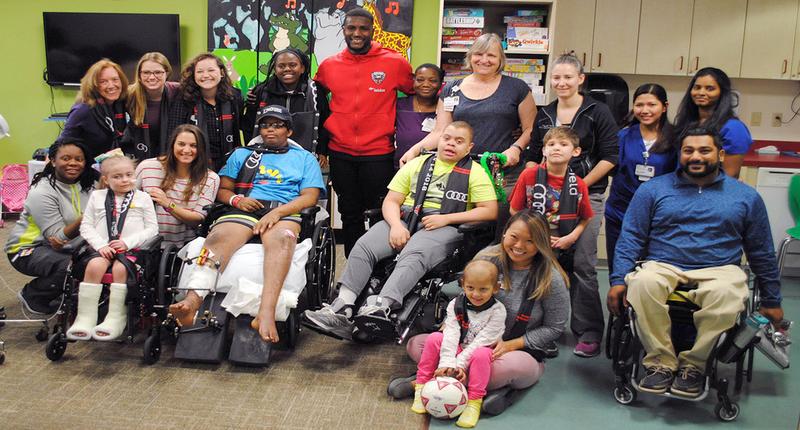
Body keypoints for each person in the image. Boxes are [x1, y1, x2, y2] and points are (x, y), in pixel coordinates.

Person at [606, 127, 783, 398]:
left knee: (728, 293)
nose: (695, 156)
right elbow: (631, 237)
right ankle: (660, 363)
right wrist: (618, 280)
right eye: (688, 151)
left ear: (720, 154)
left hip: (719, 268)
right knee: (641, 282)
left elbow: (761, 250)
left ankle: (694, 367)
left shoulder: (745, 197)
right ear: (680, 154)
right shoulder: (654, 190)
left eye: (704, 150)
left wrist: (771, 300)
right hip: (663, 264)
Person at [303, 121, 498, 340]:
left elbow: (489, 211)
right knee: (364, 246)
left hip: (446, 224)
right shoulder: (418, 164)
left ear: (469, 148)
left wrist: (446, 219)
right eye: (447, 138)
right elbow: (391, 200)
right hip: (405, 218)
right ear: (439, 140)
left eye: (459, 141)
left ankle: (380, 306)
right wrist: (396, 225)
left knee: (414, 253)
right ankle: (342, 305)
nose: (451, 144)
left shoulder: (475, 172)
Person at [168, 105, 325, 343]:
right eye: (265, 125)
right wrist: (236, 200)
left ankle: (266, 312)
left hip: (282, 210)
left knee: (282, 240)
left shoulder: (304, 158)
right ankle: (192, 302)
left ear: (289, 131)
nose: (270, 130)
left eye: (277, 125)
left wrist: (278, 213)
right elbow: (222, 189)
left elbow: (310, 197)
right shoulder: (243, 154)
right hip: (245, 208)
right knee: (217, 239)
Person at [391, 211, 570, 416]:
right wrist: (450, 325)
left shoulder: (550, 278)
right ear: (504, 234)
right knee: (419, 344)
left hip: (510, 352)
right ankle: (471, 388)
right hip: (469, 341)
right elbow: (464, 298)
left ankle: (427, 383)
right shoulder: (487, 258)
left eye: (530, 241)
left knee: (507, 369)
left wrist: (514, 344)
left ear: (541, 243)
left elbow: (554, 327)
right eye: (514, 237)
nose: (519, 246)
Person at [526, 53, 618, 358]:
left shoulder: (597, 111)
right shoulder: (545, 114)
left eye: (568, 77)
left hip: (586, 195)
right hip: (546, 195)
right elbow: (535, 154)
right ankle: (543, 329)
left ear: (580, 79)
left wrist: (579, 186)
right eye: (556, 77)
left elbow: (610, 156)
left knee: (583, 264)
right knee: (543, 261)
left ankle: (589, 331)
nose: (561, 83)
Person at [314, 7, 414, 256]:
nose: (357, 33)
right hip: (341, 153)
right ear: (344, 30)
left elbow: (421, 93)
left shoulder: (395, 62)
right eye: (351, 28)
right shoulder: (329, 66)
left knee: (380, 212)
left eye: (363, 28)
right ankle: (353, 268)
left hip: (378, 153)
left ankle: (377, 269)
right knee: (349, 213)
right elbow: (315, 101)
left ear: (372, 30)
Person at [399, 33, 537, 192]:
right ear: (470, 57)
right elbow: (440, 131)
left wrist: (516, 148)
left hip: (503, 174)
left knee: (499, 215)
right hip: (460, 172)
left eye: (491, 55)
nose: (484, 60)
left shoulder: (517, 88)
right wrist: (414, 150)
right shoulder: (451, 89)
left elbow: (530, 128)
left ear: (500, 60)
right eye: (479, 54)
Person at [67, 151, 158, 341]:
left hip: (131, 250)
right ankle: (85, 318)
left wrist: (127, 242)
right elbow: (86, 226)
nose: (125, 180)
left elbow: (152, 229)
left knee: (120, 268)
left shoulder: (142, 198)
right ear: (106, 180)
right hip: (101, 249)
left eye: (129, 175)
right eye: (117, 177)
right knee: (94, 266)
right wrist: (101, 246)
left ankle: (116, 317)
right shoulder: (97, 197)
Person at [6, 139, 98, 315]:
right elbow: (57, 237)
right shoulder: (41, 191)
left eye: (79, 159)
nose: (73, 163)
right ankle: (34, 295)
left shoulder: (88, 185)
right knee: (68, 265)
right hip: (28, 249)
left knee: (97, 261)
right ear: (53, 160)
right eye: (66, 158)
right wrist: (85, 219)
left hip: (68, 246)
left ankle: (65, 291)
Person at [411, 259, 506, 428]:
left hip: (477, 354)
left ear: (496, 288)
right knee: (434, 338)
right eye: (470, 288)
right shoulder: (456, 304)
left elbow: (481, 342)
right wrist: (446, 362)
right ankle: (421, 386)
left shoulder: (498, 311)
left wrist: (459, 365)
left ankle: (474, 402)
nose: (476, 294)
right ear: (463, 285)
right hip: (457, 349)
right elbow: (451, 333)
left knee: (482, 353)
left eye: (483, 289)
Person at [605, 84, 676, 276]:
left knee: (651, 272)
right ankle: (617, 305)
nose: (645, 110)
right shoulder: (623, 136)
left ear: (664, 106)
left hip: (659, 217)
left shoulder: (676, 139)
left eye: (651, 104)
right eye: (639, 105)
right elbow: (611, 168)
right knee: (619, 268)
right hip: (620, 212)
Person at [135, 124, 220, 248]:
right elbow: (128, 200)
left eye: (193, 146)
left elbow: (198, 219)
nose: (186, 150)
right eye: (181, 144)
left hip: (182, 248)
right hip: (142, 244)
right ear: (172, 145)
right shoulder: (147, 167)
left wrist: (168, 204)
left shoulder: (211, 178)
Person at [242, 47, 330, 166]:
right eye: (281, 66)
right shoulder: (262, 91)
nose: (287, 69)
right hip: (267, 157)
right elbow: (249, 124)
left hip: (305, 157)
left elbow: (324, 123)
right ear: (274, 69)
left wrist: (322, 151)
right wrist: (254, 150)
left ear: (302, 68)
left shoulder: (315, 91)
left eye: (293, 65)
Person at [168, 53, 243, 171]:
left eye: (211, 70)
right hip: (194, 163)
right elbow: (174, 133)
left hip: (229, 162)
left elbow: (239, 128)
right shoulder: (183, 98)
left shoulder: (234, 97)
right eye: (200, 72)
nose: (205, 75)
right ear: (193, 75)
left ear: (222, 73)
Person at [674, 67, 751, 178]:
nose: (701, 92)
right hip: (681, 189)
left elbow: (729, 175)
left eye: (709, 88)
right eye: (697, 87)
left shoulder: (733, 128)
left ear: (722, 93)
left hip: (712, 192)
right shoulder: (687, 123)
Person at [59, 59, 129, 159]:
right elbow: (61, 144)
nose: (111, 85)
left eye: (115, 80)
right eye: (103, 82)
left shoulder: (121, 104)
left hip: (114, 166)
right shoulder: (83, 110)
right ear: (93, 85)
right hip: (89, 168)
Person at [123, 52, 180, 160]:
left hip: (170, 159)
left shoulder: (178, 92)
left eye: (158, 72)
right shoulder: (128, 96)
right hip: (137, 159)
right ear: (139, 75)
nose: (152, 77)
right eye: (146, 73)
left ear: (166, 73)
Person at [393, 64, 444, 169]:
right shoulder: (399, 105)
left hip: (434, 169)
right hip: (401, 165)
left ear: (441, 83)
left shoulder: (445, 108)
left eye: (433, 81)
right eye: (420, 80)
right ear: (413, 80)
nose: (426, 84)